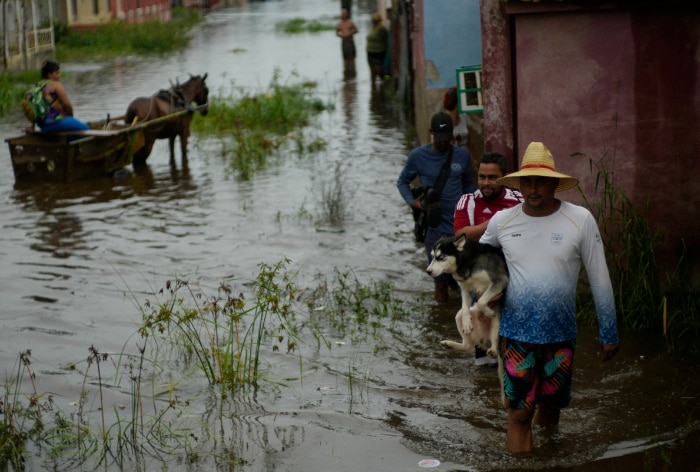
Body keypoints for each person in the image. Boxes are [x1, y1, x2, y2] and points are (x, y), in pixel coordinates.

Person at [479, 142, 620, 454]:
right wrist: (485, 291)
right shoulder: (503, 222)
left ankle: (549, 453)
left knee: (552, 407)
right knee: (518, 412)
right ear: (519, 184)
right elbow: (482, 260)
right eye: (527, 181)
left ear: (555, 182)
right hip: (515, 335)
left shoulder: (579, 219)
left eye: (540, 181)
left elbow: (599, 277)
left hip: (560, 336)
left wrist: (608, 331)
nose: (533, 188)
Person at [397, 112, 476, 303]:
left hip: (460, 225)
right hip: (435, 227)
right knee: (439, 281)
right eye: (439, 140)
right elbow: (402, 182)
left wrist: (472, 208)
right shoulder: (418, 156)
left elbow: (469, 185)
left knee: (466, 278)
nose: (443, 144)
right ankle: (441, 311)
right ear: (431, 132)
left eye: (446, 140)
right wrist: (413, 202)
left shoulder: (462, 156)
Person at [453, 152, 523, 366]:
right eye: (482, 177)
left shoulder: (519, 200)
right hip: (481, 280)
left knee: (514, 348)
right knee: (483, 358)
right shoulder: (468, 201)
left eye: (492, 177)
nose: (485, 182)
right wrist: (494, 222)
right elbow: (459, 237)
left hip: (515, 277)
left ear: (505, 177)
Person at [33, 60, 89, 133]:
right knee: (86, 129)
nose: (59, 75)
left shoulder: (37, 85)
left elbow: (34, 108)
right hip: (55, 122)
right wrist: (71, 117)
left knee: (71, 129)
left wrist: (33, 125)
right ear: (49, 74)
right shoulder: (56, 85)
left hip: (42, 125)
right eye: (57, 73)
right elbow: (67, 104)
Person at [443, 86, 469, 151]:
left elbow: (469, 140)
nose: (450, 113)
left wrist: (475, 157)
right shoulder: (443, 124)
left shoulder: (463, 117)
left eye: (452, 110)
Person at [366, 12, 388, 85]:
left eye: (374, 19)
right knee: (372, 71)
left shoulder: (381, 29)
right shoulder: (372, 28)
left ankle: (386, 80)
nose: (372, 21)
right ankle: (373, 88)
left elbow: (386, 39)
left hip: (378, 52)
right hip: (370, 51)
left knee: (378, 70)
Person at [336, 9, 358, 79]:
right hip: (344, 42)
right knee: (345, 59)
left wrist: (350, 33)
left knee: (352, 59)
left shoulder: (350, 22)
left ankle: (353, 74)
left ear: (347, 15)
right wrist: (341, 36)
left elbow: (356, 30)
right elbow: (337, 33)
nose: (344, 15)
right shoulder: (339, 24)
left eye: (345, 14)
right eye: (343, 14)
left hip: (350, 42)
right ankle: (346, 74)